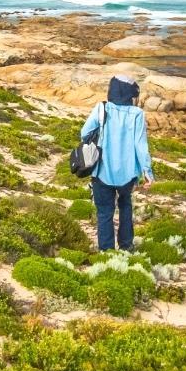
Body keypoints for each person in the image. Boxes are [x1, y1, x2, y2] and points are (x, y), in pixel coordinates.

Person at [79, 75, 152, 252]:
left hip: (102, 170)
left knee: (104, 212)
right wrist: (147, 172)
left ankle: (107, 251)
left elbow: (84, 133)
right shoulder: (137, 114)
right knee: (126, 206)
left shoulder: (101, 108)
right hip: (128, 173)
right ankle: (126, 246)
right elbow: (140, 145)